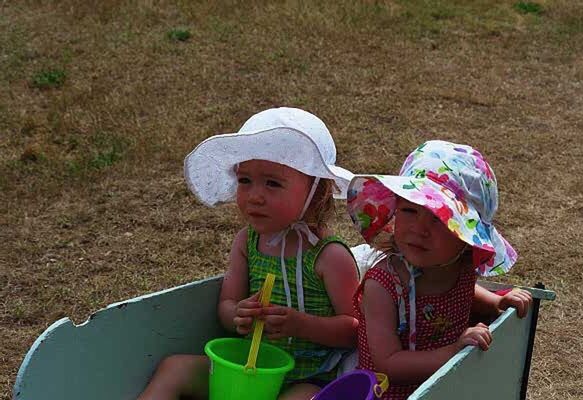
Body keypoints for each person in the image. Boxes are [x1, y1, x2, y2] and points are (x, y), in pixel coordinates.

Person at [138, 107, 360, 400]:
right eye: (245, 181)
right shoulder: (248, 241)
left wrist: (301, 325)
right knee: (174, 368)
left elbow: (354, 330)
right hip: (247, 366)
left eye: (273, 183)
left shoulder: (329, 255)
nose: (255, 195)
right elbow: (227, 304)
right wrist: (239, 316)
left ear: (316, 191)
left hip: (309, 376)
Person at [346, 140, 532, 399]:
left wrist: (496, 302)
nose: (419, 229)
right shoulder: (384, 285)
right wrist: (453, 353)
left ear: (466, 236)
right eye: (409, 210)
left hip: (448, 387)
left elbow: (466, 291)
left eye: (439, 219)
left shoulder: (461, 267)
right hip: (389, 392)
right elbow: (388, 363)